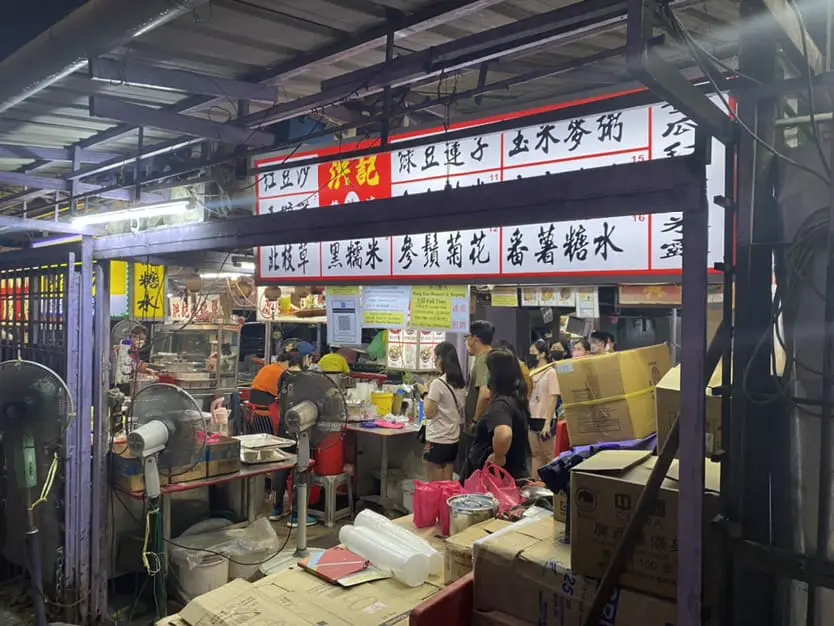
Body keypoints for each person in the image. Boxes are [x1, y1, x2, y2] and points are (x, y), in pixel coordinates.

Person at [461, 350, 531, 481]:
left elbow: (504, 434)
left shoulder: (501, 405)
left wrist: (498, 456)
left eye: (489, 371)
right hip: (514, 473)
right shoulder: (515, 399)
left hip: (497, 481)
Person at [269, 344, 318, 527]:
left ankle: (276, 509)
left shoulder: (283, 376)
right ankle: (297, 516)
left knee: (282, 466)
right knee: (302, 468)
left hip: (283, 428)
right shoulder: (309, 379)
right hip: (301, 430)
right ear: (306, 359)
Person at [423, 342, 466, 481]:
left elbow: (429, 413)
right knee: (447, 483)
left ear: (441, 359)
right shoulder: (460, 383)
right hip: (453, 438)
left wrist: (425, 393)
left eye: (435, 357)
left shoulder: (438, 383)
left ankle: (436, 504)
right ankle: (445, 503)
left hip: (437, 438)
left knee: (434, 485)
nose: (435, 361)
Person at [462, 320, 494, 472]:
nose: (467, 341)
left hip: (481, 427)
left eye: (467, 337)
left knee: (475, 471)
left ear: (475, 338)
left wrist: (475, 420)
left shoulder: (483, 360)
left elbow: (485, 393)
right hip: (488, 424)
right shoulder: (492, 356)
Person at [527, 340, 560, 479]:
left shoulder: (551, 372)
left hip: (546, 418)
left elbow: (553, 397)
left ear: (542, 354)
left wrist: (547, 422)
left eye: (533, 352)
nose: (531, 355)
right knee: (535, 455)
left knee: (548, 456)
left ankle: (549, 486)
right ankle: (534, 483)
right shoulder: (532, 372)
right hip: (532, 417)